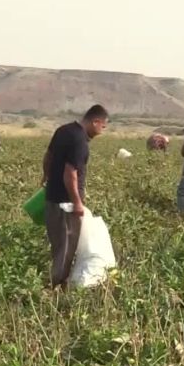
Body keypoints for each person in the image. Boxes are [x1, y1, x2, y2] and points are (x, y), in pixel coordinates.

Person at [40, 104, 109, 288]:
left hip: (52, 199)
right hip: (66, 204)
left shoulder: (63, 130)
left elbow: (48, 157)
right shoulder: (80, 141)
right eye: (103, 126)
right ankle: (55, 289)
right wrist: (77, 203)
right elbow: (70, 174)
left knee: (58, 247)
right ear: (95, 122)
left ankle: (57, 284)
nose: (103, 130)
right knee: (65, 251)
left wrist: (46, 178)